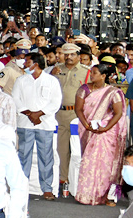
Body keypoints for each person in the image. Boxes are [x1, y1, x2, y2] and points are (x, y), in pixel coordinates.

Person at [74, 57, 128, 206]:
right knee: (89, 162)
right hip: (87, 130)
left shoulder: (113, 92)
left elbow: (118, 113)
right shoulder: (84, 89)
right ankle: (87, 194)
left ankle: (105, 195)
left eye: (95, 73)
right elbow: (78, 109)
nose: (92, 75)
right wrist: (86, 125)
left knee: (106, 164)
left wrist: (105, 128)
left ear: (104, 76)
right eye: (91, 73)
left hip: (106, 134)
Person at [12, 52, 61, 200]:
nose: (25, 64)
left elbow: (55, 102)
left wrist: (39, 114)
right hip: (25, 123)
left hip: (44, 124)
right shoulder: (21, 80)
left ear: (36, 64)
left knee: (46, 157)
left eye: (27, 61)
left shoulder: (51, 81)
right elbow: (16, 98)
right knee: (23, 156)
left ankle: (47, 188)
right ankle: (21, 187)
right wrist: (30, 114)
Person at [55, 42, 88, 193]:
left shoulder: (87, 72)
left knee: (78, 149)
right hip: (59, 114)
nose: (68, 57)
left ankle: (79, 180)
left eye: (72, 54)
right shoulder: (56, 70)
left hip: (77, 115)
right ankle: (63, 179)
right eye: (66, 54)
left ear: (78, 56)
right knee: (61, 149)